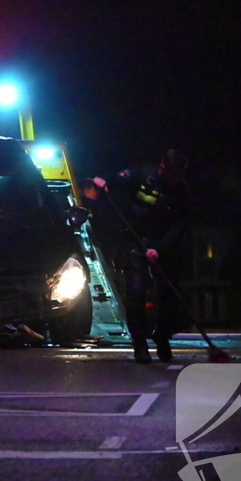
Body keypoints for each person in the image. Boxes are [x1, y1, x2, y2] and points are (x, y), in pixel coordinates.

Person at [86, 149, 191, 364]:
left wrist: (160, 249)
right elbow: (117, 178)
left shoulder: (182, 191)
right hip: (135, 239)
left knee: (169, 294)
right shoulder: (144, 175)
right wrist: (103, 180)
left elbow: (179, 226)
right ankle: (140, 345)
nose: (174, 177)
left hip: (163, 244)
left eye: (178, 173)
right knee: (136, 293)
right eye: (171, 172)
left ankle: (162, 336)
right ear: (163, 167)